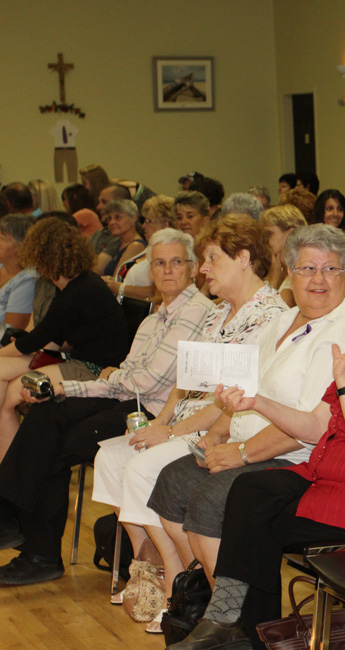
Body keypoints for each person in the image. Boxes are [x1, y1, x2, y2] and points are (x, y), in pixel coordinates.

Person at [171, 237, 345, 649]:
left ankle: (241, 631)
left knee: (257, 514)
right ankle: (232, 624)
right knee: (251, 491)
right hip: (335, 480)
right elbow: (314, 425)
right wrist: (258, 403)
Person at [148, 224, 345, 607]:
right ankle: (206, 601)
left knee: (211, 499)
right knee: (172, 483)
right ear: (290, 272)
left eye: (329, 269)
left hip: (297, 458)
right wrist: (215, 434)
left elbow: (312, 427)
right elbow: (244, 389)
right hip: (248, 441)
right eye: (306, 269)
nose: (318, 279)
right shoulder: (286, 319)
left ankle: (240, 621)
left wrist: (242, 452)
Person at [90, 216, 285, 619]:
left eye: (211, 258)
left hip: (219, 426)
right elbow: (185, 380)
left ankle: (178, 582)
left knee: (143, 469)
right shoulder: (218, 313)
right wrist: (160, 423)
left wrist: (172, 431)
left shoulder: (269, 317)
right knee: (110, 457)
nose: (202, 269)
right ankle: (162, 571)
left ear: (244, 258)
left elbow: (230, 401)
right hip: (189, 420)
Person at [0, 228, 213, 586]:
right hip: (125, 398)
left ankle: (32, 545)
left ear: (192, 268)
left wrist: (87, 382)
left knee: (53, 445)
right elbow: (128, 375)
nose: (167, 270)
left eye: (177, 262)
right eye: (159, 263)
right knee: (47, 412)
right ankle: (17, 526)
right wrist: (68, 387)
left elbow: (144, 383)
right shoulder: (155, 317)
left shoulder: (193, 312)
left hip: (152, 412)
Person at [0, 218, 129, 460]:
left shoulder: (77, 292)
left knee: (10, 394)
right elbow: (52, 340)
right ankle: (8, 467)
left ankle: (10, 469)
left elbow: (33, 341)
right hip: (77, 360)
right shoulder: (78, 284)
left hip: (95, 370)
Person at [108, 194, 175, 301]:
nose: (143, 226)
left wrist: (119, 288)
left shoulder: (169, 253)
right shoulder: (149, 248)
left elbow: (157, 291)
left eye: (149, 221)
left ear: (165, 225)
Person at [259, 204, 307, 306]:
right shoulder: (280, 268)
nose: (266, 241)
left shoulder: (299, 275)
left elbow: (267, 316)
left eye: (270, 234)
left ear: (291, 234)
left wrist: (273, 279)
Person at [0, 215, 38, 331]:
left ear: (21, 246)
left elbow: (11, 331)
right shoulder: (1, 265)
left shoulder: (27, 279)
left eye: (2, 239)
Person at [101, 199, 147, 278]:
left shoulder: (136, 245)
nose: (112, 222)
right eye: (109, 218)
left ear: (133, 218)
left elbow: (116, 280)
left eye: (118, 217)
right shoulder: (122, 243)